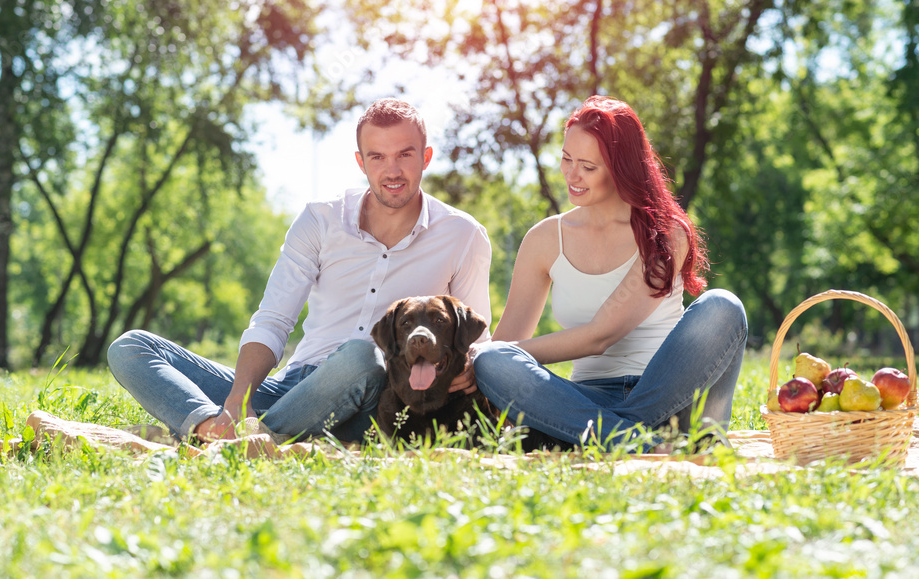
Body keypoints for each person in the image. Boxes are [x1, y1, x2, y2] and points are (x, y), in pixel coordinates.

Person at [108, 98, 492, 443]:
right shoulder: (322, 219)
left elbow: (476, 341)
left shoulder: (463, 235)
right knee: (131, 347)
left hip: (378, 393)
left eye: (404, 155)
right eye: (377, 157)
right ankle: (216, 428)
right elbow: (273, 320)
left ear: (425, 158)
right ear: (361, 161)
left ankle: (245, 439)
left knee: (362, 356)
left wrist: (470, 364)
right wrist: (237, 401)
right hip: (293, 389)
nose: (392, 171)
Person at [472, 95, 747, 450]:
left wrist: (496, 356)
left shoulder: (666, 232)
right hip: (584, 403)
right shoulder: (544, 239)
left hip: (671, 398)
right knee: (492, 359)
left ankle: (612, 436)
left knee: (723, 306)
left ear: (620, 167)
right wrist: (481, 362)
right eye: (566, 159)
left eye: (588, 166)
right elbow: (504, 345)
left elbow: (601, 335)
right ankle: (640, 442)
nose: (572, 175)